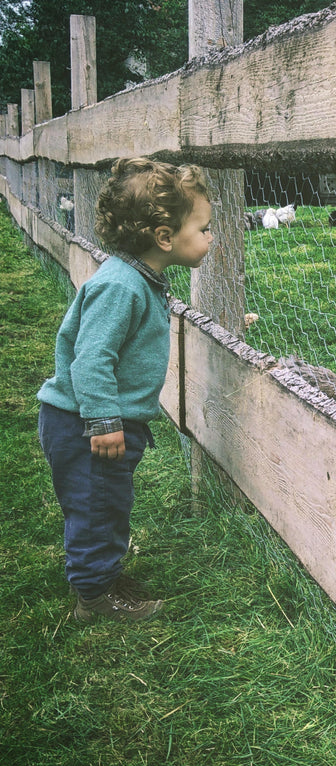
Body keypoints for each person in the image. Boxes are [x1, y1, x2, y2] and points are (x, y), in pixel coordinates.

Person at [37, 157, 213, 622]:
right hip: (86, 425)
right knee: (97, 508)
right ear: (164, 237)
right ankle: (95, 599)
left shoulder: (140, 279)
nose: (210, 237)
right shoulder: (122, 287)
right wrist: (104, 421)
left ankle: (102, 575)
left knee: (106, 504)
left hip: (99, 422)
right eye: (203, 228)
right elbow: (92, 359)